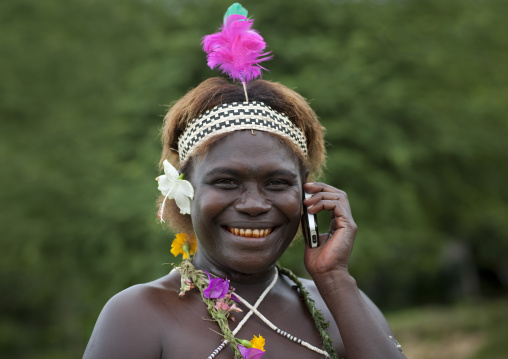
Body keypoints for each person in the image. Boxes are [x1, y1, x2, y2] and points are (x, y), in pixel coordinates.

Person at [84, 4, 406, 359]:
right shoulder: (139, 315)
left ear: (308, 194)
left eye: (277, 183)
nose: (253, 204)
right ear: (184, 192)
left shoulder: (339, 304)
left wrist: (333, 278)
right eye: (226, 182)